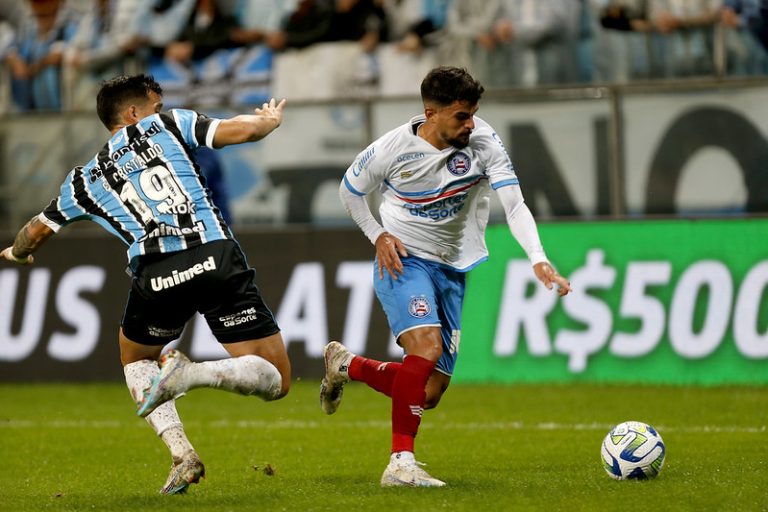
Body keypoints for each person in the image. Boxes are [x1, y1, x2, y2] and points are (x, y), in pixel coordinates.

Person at [0, 74, 291, 495]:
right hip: (214, 256)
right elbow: (244, 129)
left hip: (156, 275)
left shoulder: (84, 179)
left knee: (135, 356)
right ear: (133, 112)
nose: (160, 108)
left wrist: (18, 254)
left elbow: (34, 232)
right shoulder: (169, 124)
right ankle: (193, 374)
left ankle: (181, 453)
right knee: (278, 381)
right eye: (154, 104)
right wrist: (269, 121)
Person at [323, 66, 571, 488]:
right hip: (404, 260)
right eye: (461, 116)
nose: (470, 124)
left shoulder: (485, 143)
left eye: (474, 113)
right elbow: (350, 190)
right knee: (426, 345)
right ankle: (400, 465)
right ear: (431, 113)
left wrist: (538, 257)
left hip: (454, 265)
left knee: (427, 393)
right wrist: (378, 235)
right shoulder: (390, 150)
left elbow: (514, 204)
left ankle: (347, 365)